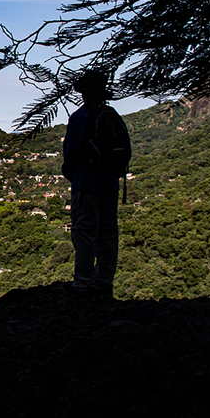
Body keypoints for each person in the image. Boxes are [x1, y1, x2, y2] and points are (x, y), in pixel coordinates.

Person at [62, 70, 127, 300]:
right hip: (110, 185)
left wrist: (75, 177)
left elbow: (69, 158)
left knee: (85, 235)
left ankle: (83, 285)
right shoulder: (113, 116)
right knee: (108, 235)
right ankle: (104, 284)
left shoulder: (80, 118)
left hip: (86, 184)